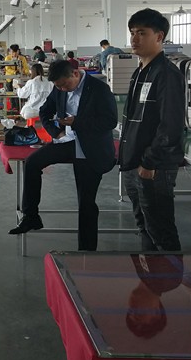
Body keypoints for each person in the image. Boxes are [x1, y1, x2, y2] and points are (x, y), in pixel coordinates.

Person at [9, 59, 117, 251]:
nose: (62, 90)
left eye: (65, 85)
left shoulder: (99, 89)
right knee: (32, 163)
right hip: (67, 141)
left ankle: (86, 251)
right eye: (58, 87)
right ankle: (31, 216)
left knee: (86, 201)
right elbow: (45, 112)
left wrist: (77, 122)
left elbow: (110, 121)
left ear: (75, 74)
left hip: (90, 146)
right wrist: (55, 132)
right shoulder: (59, 88)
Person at [118, 8, 185, 252]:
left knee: (160, 229)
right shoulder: (140, 72)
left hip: (153, 167)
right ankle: (150, 273)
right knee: (144, 225)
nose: (134, 39)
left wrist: (150, 161)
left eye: (141, 33)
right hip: (135, 162)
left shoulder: (166, 74)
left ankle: (171, 274)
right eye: (132, 33)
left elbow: (171, 125)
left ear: (159, 36)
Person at [126, 254, 184, 339]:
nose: (132, 307)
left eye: (130, 311)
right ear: (157, 313)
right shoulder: (169, 281)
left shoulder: (142, 274)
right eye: (139, 314)